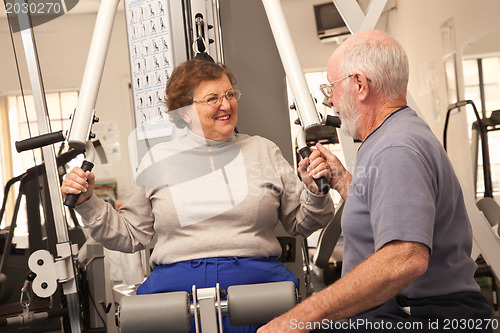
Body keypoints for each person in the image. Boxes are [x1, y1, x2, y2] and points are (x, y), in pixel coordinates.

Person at [61, 59, 334, 332]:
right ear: (185, 112)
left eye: (229, 95)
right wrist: (88, 204)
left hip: (256, 285)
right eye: (212, 98)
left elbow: (303, 222)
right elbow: (131, 235)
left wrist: (315, 192)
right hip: (175, 290)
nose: (226, 105)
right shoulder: (158, 160)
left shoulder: (263, 151)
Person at [258, 30, 492, 333]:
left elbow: (405, 259)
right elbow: (386, 212)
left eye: (332, 87)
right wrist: (342, 180)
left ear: (359, 85)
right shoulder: (390, 136)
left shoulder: (396, 147)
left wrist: (299, 319)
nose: (330, 100)